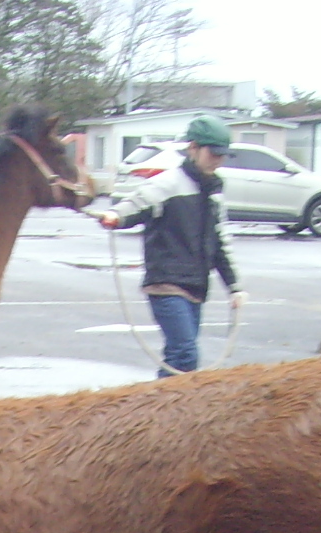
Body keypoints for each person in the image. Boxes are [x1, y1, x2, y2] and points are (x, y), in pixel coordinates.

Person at [96, 113, 244, 376]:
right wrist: (116, 217)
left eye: (222, 155)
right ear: (193, 148)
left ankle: (164, 411)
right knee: (185, 353)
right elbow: (136, 205)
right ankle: (166, 414)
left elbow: (220, 241)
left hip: (196, 285)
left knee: (179, 358)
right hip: (166, 282)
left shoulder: (214, 192)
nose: (218, 160)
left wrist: (234, 286)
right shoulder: (167, 184)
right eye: (213, 153)